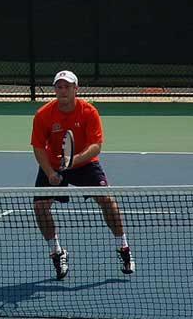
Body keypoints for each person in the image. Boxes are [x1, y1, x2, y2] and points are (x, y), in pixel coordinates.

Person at [31, 70, 135, 280]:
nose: (62, 90)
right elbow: (38, 147)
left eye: (67, 87)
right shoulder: (43, 114)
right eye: (59, 87)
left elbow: (96, 146)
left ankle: (123, 246)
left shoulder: (88, 111)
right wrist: (51, 173)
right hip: (53, 163)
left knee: (106, 200)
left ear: (76, 89)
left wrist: (72, 161)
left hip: (84, 163)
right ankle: (57, 252)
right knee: (40, 207)